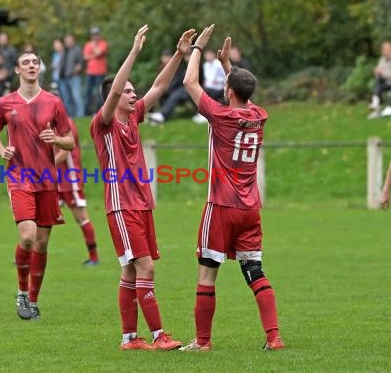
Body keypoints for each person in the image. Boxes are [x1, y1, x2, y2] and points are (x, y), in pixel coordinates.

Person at [179, 24, 284, 352]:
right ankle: (274, 337)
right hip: (250, 207)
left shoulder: (220, 116)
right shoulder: (259, 116)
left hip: (221, 205)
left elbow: (189, 82)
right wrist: (228, 66)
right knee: (254, 270)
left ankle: (203, 342)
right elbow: (243, 90)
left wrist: (196, 48)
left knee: (207, 273)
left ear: (227, 91)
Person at [90, 25, 195, 350]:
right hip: (121, 205)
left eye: (134, 91)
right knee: (145, 265)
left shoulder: (133, 116)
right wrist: (134, 51)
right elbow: (115, 89)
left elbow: (161, 85)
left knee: (131, 269)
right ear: (114, 96)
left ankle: (129, 339)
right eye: (128, 91)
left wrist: (180, 55)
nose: (134, 94)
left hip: (140, 203)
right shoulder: (103, 122)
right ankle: (158, 335)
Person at [0, 51, 74, 320]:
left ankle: (33, 300)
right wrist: (2, 150)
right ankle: (22, 292)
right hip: (19, 177)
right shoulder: (5, 103)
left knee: (43, 243)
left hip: (47, 179)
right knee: (27, 236)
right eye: (26, 62)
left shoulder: (53, 102)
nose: (32, 66)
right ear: (17, 70)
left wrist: (57, 140)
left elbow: (70, 141)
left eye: (36, 62)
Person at [55, 117, 99, 265]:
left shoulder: (65, 124)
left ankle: (94, 257)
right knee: (40, 217)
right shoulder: (49, 123)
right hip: (55, 179)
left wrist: (42, 166)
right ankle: (26, 254)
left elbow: (64, 153)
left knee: (81, 217)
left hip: (70, 180)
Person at [147, 49, 192, 124]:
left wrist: (166, 89)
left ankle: (162, 115)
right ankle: (149, 112)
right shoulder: (161, 68)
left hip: (179, 89)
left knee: (174, 95)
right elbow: (158, 81)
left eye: (168, 57)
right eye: (165, 57)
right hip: (166, 89)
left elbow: (178, 81)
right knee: (155, 92)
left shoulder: (177, 66)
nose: (166, 59)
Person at [83, 26, 109, 115]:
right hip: (90, 72)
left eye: (96, 34)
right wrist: (95, 55)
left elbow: (98, 53)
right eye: (93, 35)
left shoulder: (103, 44)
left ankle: (100, 112)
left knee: (99, 93)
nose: (95, 36)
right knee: (88, 93)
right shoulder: (87, 44)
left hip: (100, 72)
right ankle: (86, 113)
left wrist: (94, 47)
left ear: (99, 35)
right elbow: (85, 57)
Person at [58, 34, 84, 118]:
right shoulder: (64, 51)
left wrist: (76, 70)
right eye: (66, 41)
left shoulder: (77, 50)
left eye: (70, 40)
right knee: (66, 98)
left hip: (73, 77)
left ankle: (80, 116)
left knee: (76, 97)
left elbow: (81, 63)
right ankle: (70, 116)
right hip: (63, 78)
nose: (68, 42)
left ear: (73, 41)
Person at [368, 41, 391, 119]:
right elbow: (379, 72)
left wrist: (382, 73)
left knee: (379, 84)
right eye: (384, 49)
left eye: (387, 49)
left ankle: (376, 105)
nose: (385, 51)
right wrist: (377, 72)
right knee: (378, 83)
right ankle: (376, 105)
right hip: (386, 83)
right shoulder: (382, 59)